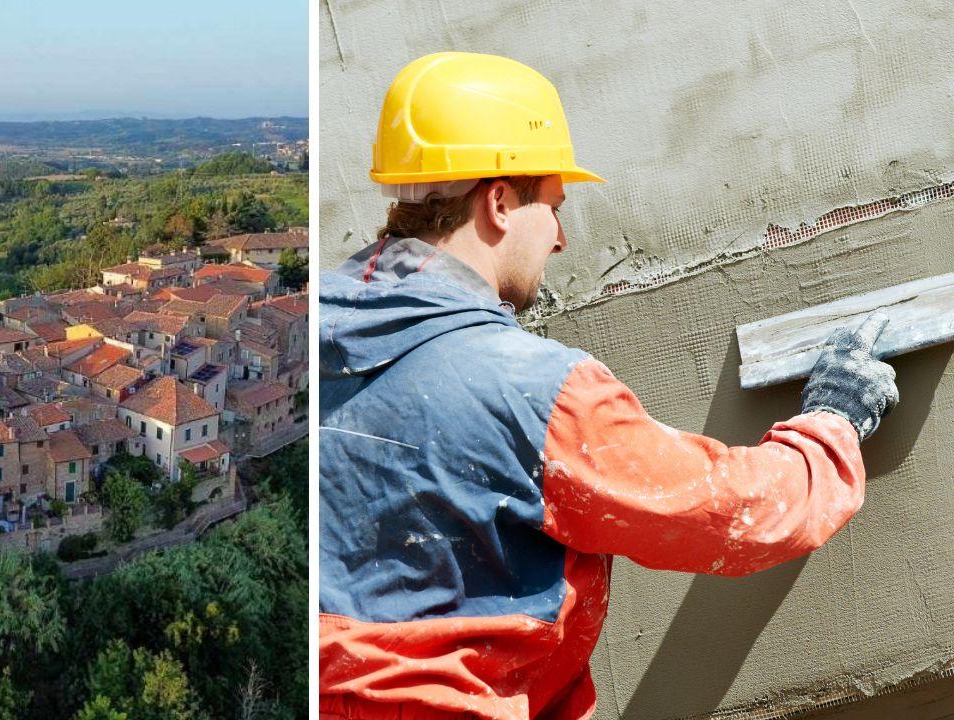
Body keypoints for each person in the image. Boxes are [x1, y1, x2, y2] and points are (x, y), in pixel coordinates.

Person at [318, 52, 900, 720]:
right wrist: (832, 422)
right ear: (500, 202)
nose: (561, 239)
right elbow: (730, 513)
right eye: (553, 206)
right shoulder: (534, 392)